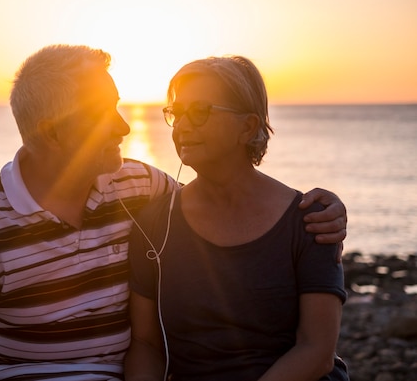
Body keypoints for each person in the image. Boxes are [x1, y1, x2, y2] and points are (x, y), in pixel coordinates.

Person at [0, 45, 348, 381]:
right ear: (53, 133)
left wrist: (327, 209)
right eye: (102, 114)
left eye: (118, 106)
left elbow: (222, 200)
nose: (124, 128)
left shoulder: (137, 189)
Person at [124, 55, 349, 381]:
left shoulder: (309, 221)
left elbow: (316, 352)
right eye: (177, 112)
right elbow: (146, 343)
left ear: (248, 127)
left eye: (199, 112)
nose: (183, 126)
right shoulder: (155, 223)